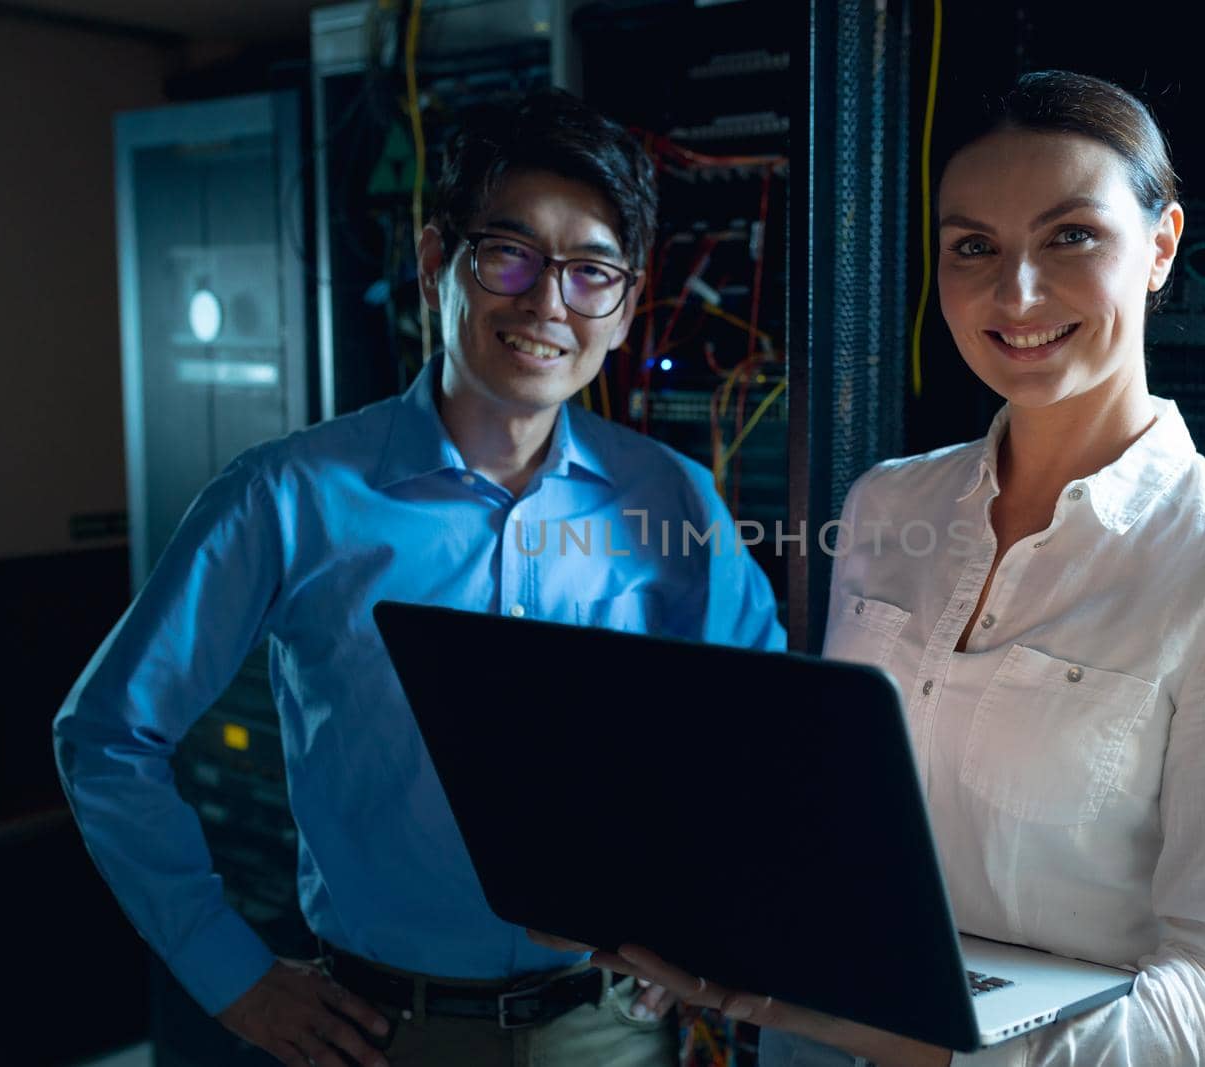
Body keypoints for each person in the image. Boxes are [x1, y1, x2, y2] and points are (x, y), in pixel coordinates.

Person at [560, 71, 1205, 1066]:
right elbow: (832, 830)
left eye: (1070, 235)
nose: (1015, 291)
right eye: (974, 247)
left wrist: (923, 1043)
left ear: (1161, 245)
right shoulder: (888, 504)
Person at [54, 89, 785, 1067]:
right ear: (438, 259)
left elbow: (762, 744)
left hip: (612, 1029)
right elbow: (108, 734)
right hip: (382, 1033)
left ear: (625, 300)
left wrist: (702, 918)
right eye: (509, 253)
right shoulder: (289, 494)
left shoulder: (675, 501)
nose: (544, 303)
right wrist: (229, 972)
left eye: (588, 272)